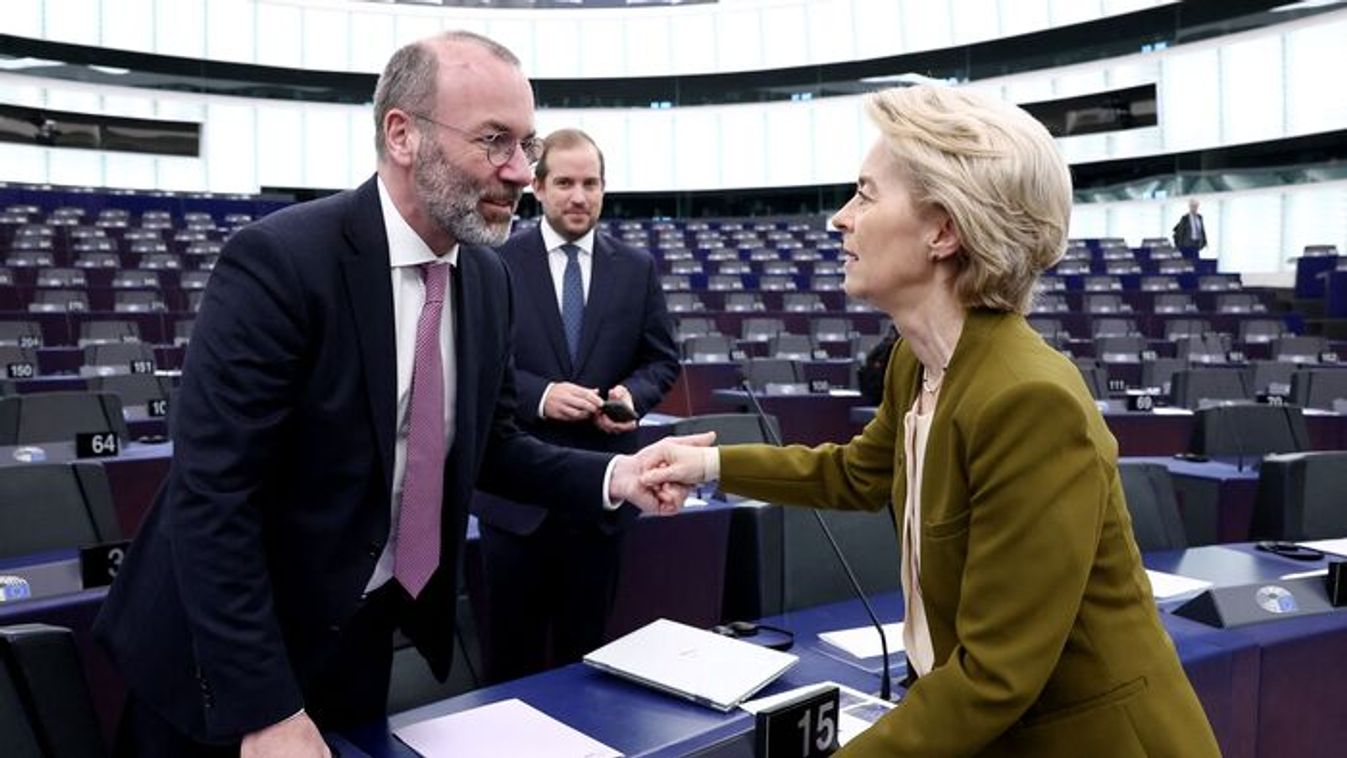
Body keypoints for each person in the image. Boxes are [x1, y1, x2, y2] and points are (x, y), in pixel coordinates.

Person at [94, 31, 702, 757]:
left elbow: (488, 444)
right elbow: (212, 497)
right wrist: (265, 709)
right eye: (493, 141)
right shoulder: (279, 262)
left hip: (359, 636)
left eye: (526, 145)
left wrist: (614, 474)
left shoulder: (485, 277)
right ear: (402, 133)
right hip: (221, 662)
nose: (519, 170)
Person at [641, 85, 1220, 756]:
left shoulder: (1027, 401)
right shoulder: (914, 365)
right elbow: (858, 473)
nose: (839, 219)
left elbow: (994, 677)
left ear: (942, 230)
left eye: (864, 194)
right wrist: (708, 465)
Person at [474, 128, 680, 682]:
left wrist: (629, 396)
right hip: (515, 505)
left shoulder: (635, 267)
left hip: (602, 506)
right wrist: (540, 396)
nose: (578, 196)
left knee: (583, 663)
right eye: (564, 182)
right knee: (508, 667)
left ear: (604, 189)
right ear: (537, 189)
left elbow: (662, 360)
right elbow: (474, 365)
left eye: (590, 183)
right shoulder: (492, 260)